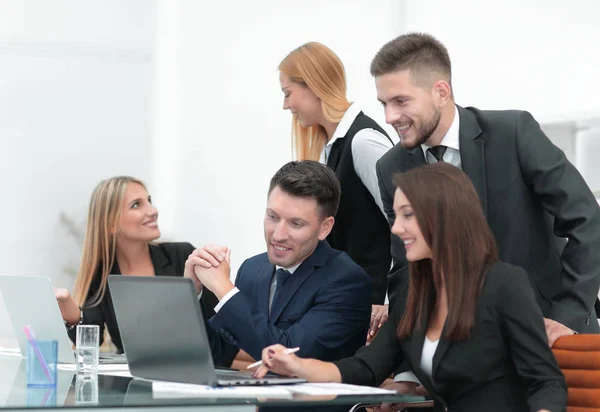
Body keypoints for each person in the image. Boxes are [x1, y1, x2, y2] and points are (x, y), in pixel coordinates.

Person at [253, 163, 567, 412]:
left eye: (408, 215)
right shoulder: (410, 295)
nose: (396, 228)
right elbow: (364, 368)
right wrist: (297, 365)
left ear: (444, 217)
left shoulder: (503, 283)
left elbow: (546, 383)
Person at [372, 33, 600, 346]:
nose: (389, 117)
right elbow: (407, 272)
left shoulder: (514, 134)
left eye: (401, 101)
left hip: (549, 335)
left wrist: (567, 316)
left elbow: (587, 220)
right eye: (384, 103)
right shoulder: (391, 168)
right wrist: (409, 363)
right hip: (463, 354)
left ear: (441, 91)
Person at [185, 160, 371, 365]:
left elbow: (287, 356)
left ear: (325, 228)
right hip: (255, 396)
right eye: (272, 216)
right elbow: (218, 354)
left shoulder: (347, 281)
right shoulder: (252, 270)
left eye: (296, 223)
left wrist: (224, 290)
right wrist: (191, 293)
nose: (278, 235)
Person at [279, 42, 394, 333]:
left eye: (287, 93)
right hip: (346, 301)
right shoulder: (328, 151)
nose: (285, 105)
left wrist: (390, 298)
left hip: (372, 308)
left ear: (314, 85)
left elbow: (407, 222)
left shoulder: (363, 141)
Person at [55, 176, 218, 353]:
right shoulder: (101, 277)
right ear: (110, 224)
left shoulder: (183, 256)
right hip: (134, 378)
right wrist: (65, 302)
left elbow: (221, 329)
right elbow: (90, 341)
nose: (153, 210)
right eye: (136, 205)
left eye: (149, 201)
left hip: (193, 371)